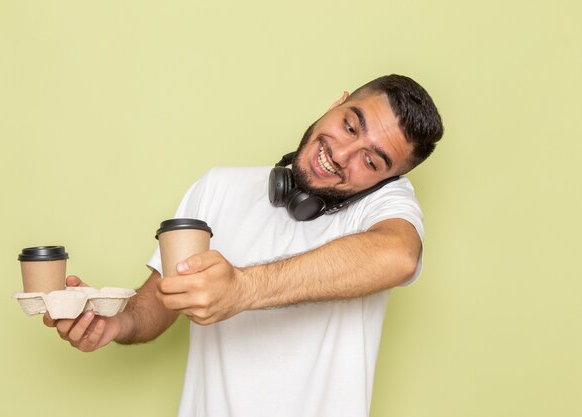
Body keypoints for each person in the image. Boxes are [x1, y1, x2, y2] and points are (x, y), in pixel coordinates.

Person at [44, 74, 444, 417]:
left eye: (371, 162)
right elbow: (159, 302)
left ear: (389, 179)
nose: (341, 154)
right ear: (337, 103)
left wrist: (243, 288)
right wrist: (116, 322)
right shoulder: (218, 188)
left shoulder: (385, 206)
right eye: (350, 126)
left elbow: (398, 256)